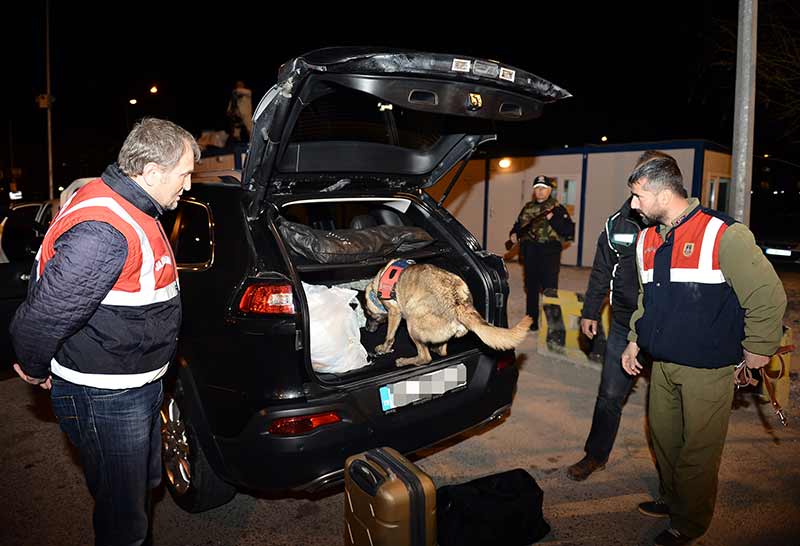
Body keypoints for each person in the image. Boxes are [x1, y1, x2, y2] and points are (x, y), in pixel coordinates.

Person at [10, 117, 200, 546]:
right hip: (106, 396)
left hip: (134, 387)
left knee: (140, 488)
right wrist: (37, 368)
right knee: (123, 520)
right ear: (151, 172)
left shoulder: (128, 203)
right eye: (184, 174)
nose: (188, 185)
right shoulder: (105, 233)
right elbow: (41, 317)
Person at [620, 152, 786, 546]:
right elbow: (646, 299)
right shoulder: (647, 239)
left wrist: (759, 349)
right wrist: (634, 340)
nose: (632, 205)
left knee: (698, 449)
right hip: (663, 363)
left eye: (638, 195)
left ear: (663, 192)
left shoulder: (723, 233)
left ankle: (689, 523)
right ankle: (673, 498)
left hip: (708, 368)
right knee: (663, 437)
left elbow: (767, 296)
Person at [566, 193, 646, 481]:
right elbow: (602, 270)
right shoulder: (618, 223)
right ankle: (595, 455)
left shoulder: (673, 224)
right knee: (609, 395)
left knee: (668, 407)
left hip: (663, 325)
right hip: (624, 324)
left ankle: (675, 482)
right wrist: (590, 311)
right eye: (635, 191)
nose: (637, 200)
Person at [509, 175, 574, 330]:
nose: (540, 191)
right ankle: (531, 321)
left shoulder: (556, 208)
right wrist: (513, 233)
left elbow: (568, 230)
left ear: (549, 190)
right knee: (530, 287)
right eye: (537, 188)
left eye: (543, 188)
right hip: (530, 251)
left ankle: (552, 324)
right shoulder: (528, 207)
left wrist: (553, 219)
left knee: (549, 288)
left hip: (549, 252)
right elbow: (519, 225)